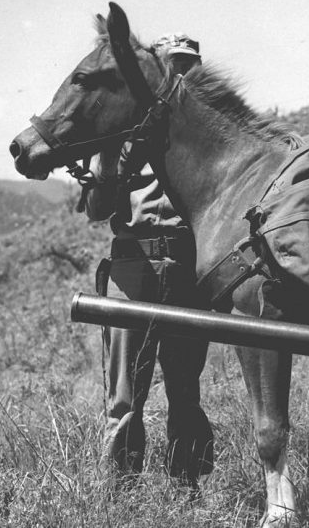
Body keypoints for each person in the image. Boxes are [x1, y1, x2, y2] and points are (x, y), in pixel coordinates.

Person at [85, 33, 213, 490]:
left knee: (183, 386)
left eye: (189, 66)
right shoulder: (121, 132)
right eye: (173, 64)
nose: (181, 73)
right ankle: (122, 491)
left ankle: (185, 487)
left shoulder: (207, 136)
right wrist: (106, 163)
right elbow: (98, 209)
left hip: (185, 265)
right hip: (133, 265)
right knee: (125, 393)